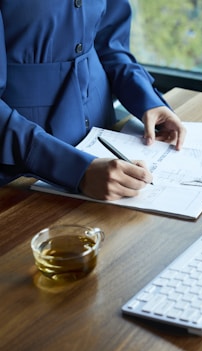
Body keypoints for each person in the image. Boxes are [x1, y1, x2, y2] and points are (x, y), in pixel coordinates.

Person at [0, 1, 186, 201]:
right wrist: (77, 170)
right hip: (22, 166)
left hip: (107, 136)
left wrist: (147, 99)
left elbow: (110, 43)